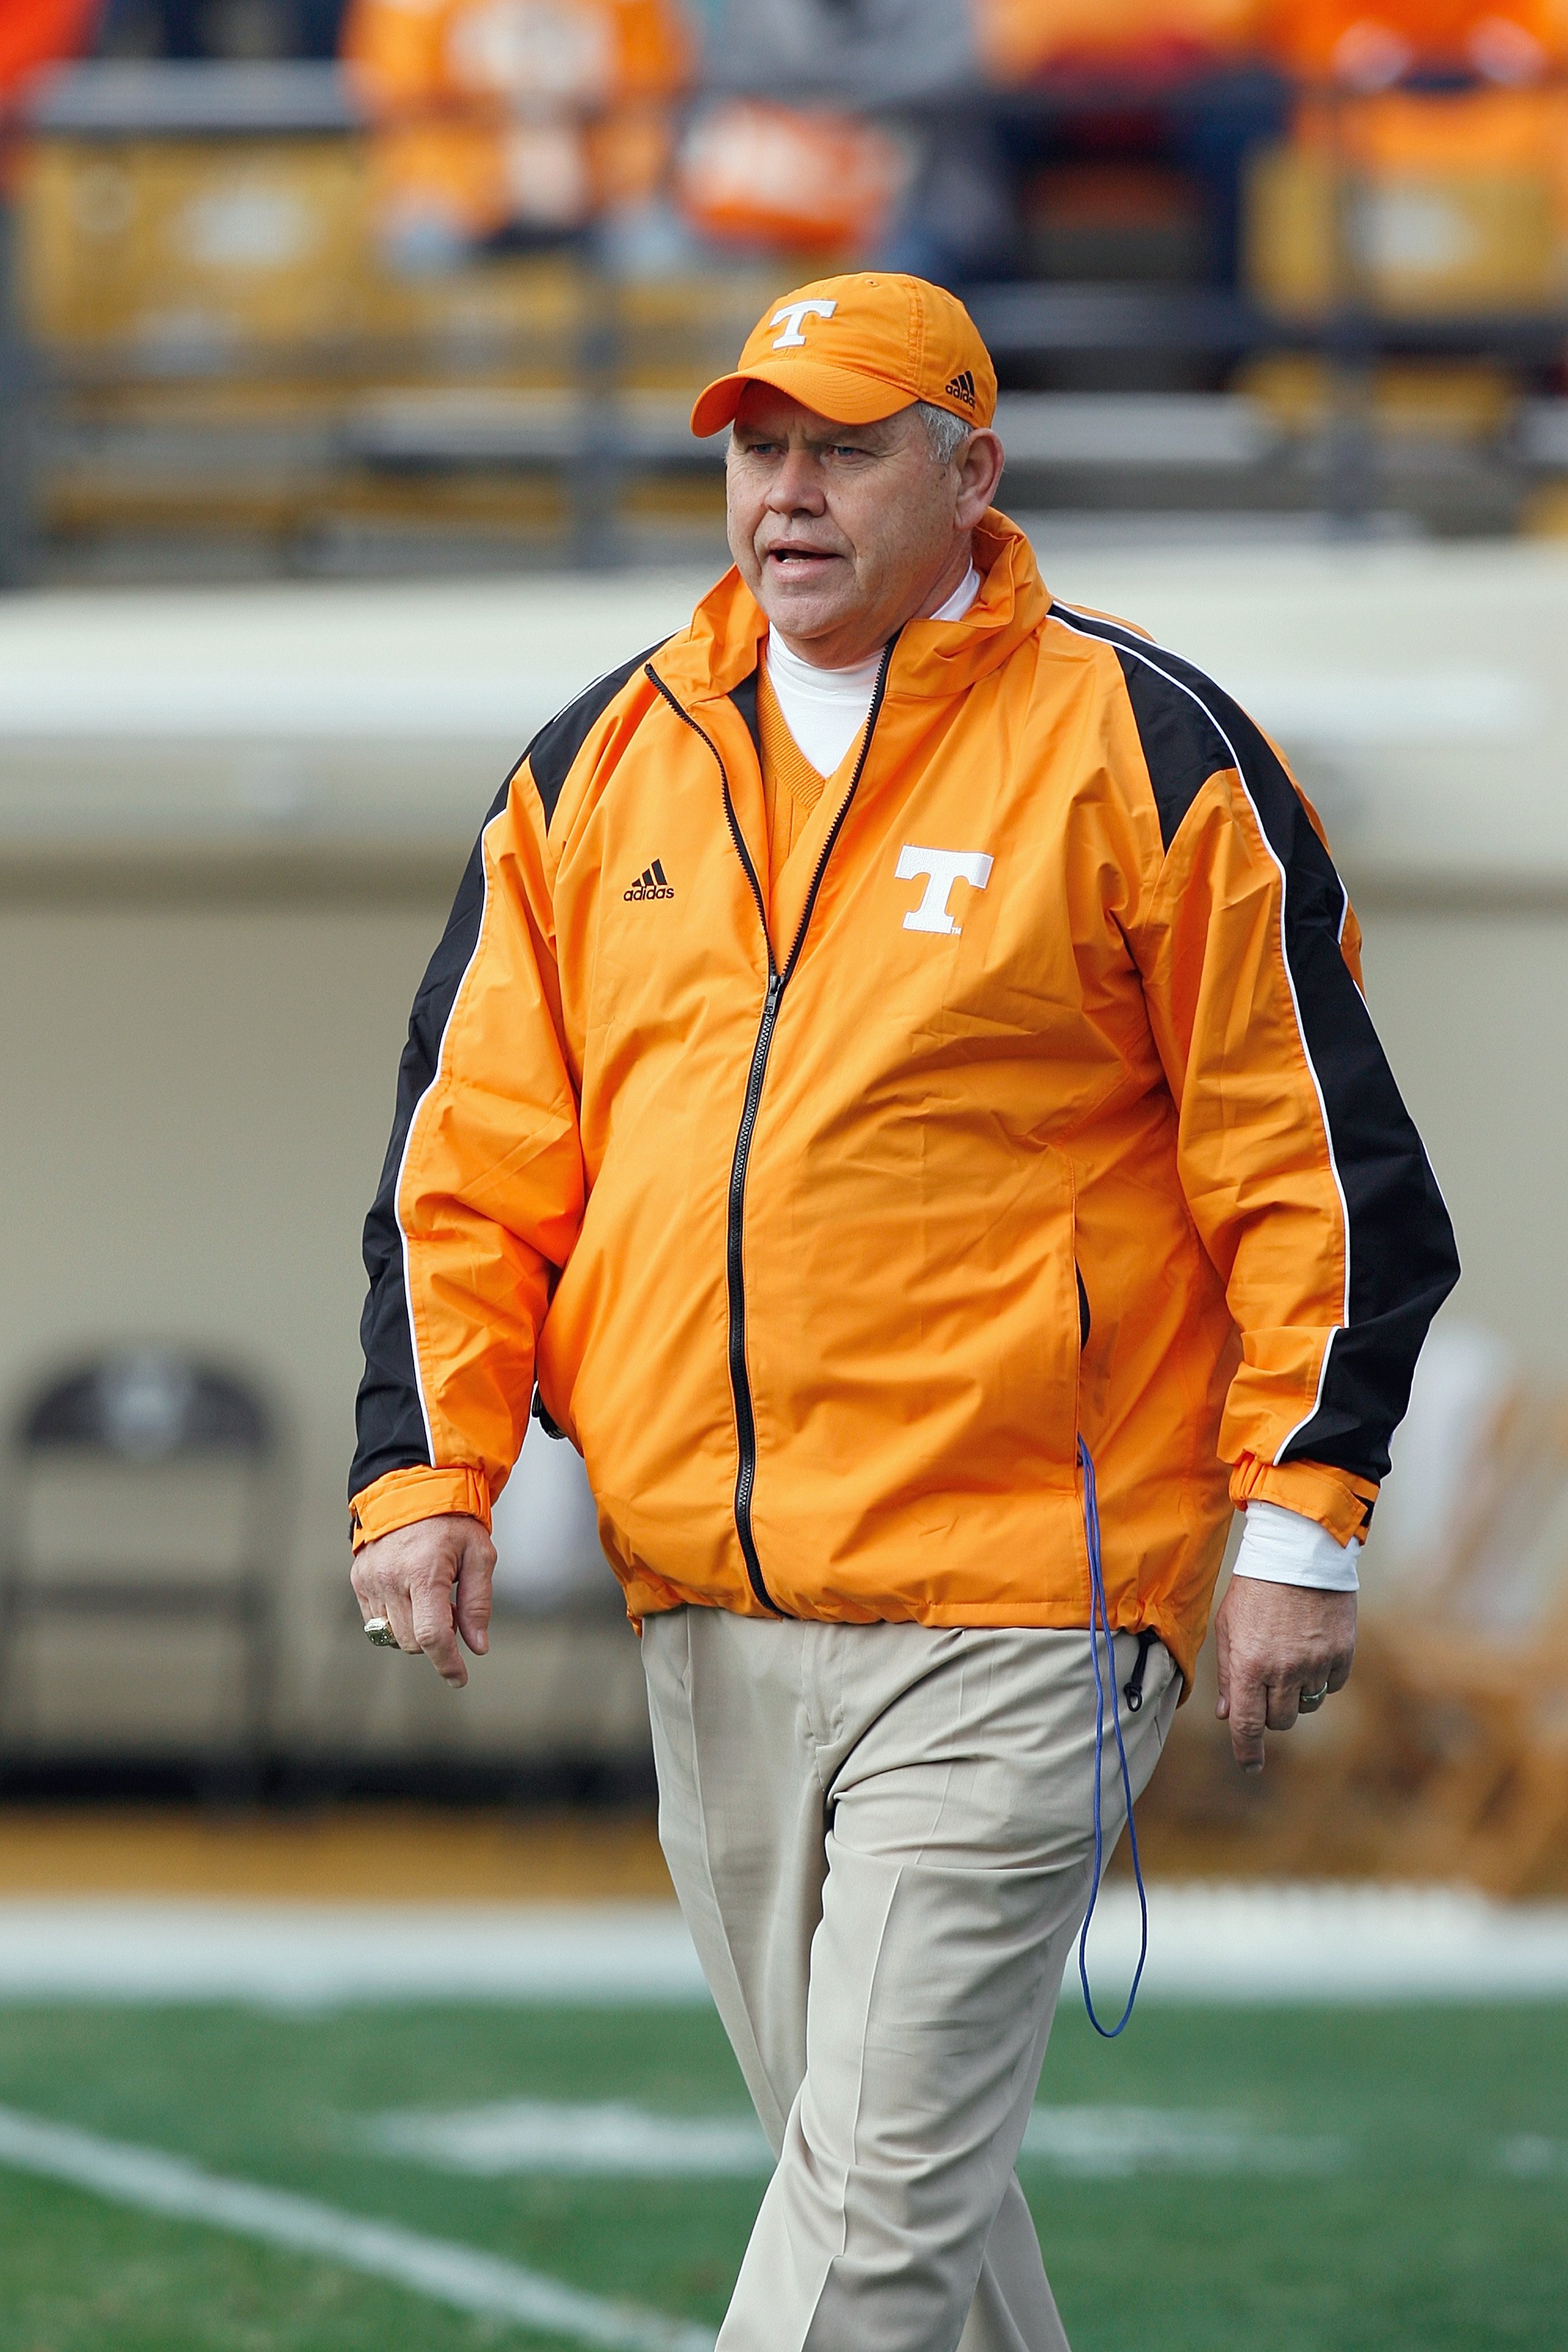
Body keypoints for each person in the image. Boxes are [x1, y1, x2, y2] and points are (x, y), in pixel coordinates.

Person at [348, 273, 1459, 2351]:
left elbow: (1316, 1177)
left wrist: (1302, 1528)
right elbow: (465, 1169)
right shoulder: (597, 766)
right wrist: (430, 1471)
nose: (788, 492)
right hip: (711, 1608)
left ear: (972, 473)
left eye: (845, 448)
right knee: (887, 2188)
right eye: (760, 448)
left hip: (1029, 1598)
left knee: (861, 2233)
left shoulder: (1148, 746)